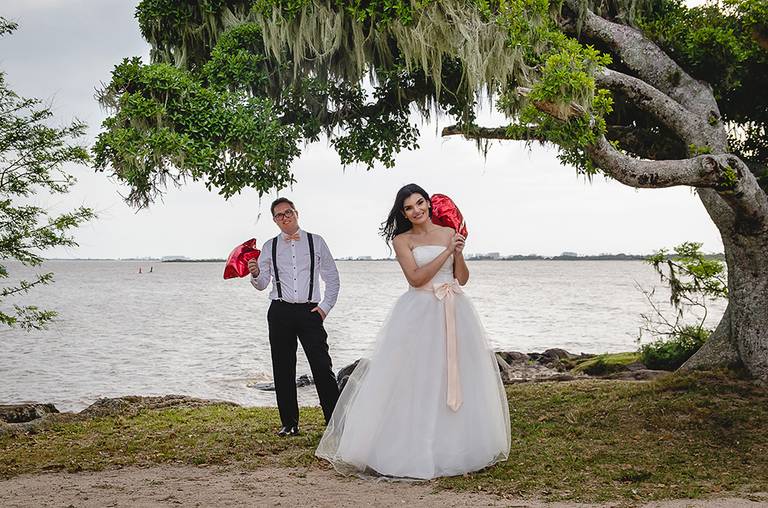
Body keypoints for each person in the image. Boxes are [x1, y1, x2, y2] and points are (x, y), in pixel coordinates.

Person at [316, 184, 510, 479]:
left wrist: (457, 252)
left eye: (420, 203)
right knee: (416, 377)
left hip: (455, 308)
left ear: (429, 204)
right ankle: (409, 448)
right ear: (403, 213)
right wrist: (446, 251)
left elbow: (463, 278)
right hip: (419, 311)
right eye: (409, 207)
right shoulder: (402, 240)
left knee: (456, 374)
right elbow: (416, 278)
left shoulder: (448, 232)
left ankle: (458, 447)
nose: (416, 210)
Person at [248, 197, 341, 437]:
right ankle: (289, 423)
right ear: (274, 220)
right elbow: (262, 284)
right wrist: (256, 274)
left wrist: (325, 308)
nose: (285, 217)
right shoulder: (269, 246)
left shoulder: (316, 242)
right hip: (279, 311)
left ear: (296, 213)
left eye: (288, 212)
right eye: (279, 215)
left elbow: (332, 278)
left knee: (322, 366)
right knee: (282, 368)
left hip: (310, 311)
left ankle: (335, 421)